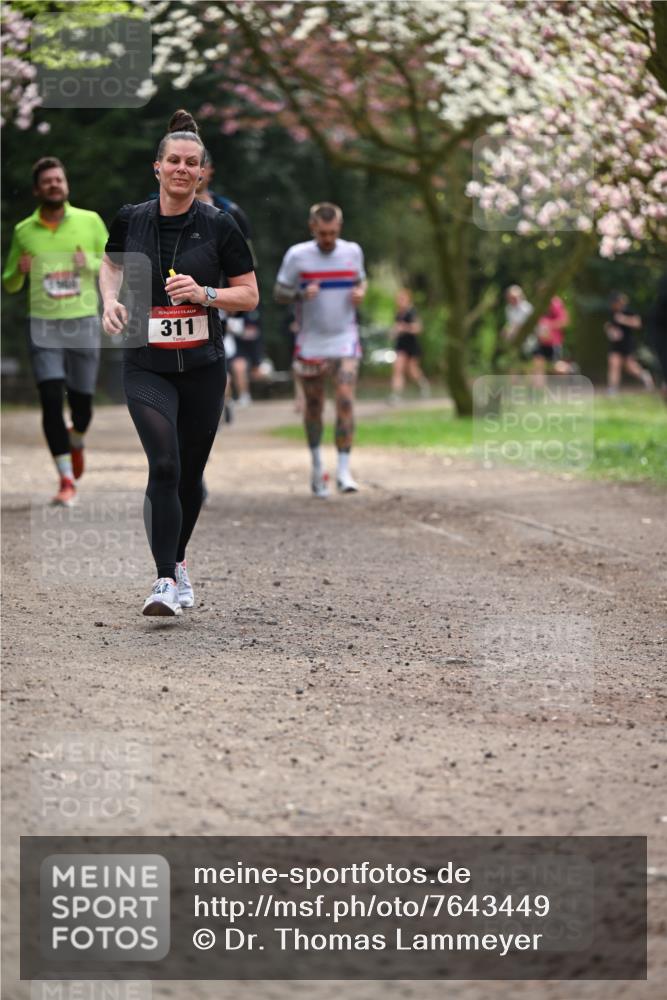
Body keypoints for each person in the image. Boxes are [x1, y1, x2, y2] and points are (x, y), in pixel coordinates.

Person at [99, 109, 258, 616]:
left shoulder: (220, 226)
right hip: (146, 362)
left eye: (192, 163)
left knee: (190, 475)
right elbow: (110, 263)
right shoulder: (132, 217)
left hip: (204, 366)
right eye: (174, 161)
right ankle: (164, 581)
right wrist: (109, 300)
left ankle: (179, 561)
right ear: (158, 167)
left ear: (202, 172)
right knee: (163, 464)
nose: (182, 169)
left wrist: (206, 293)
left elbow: (250, 295)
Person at [2, 156, 108, 506]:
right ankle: (65, 480)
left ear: (66, 185)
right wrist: (19, 270)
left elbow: (113, 265)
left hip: (82, 322)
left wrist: (88, 263)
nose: (54, 185)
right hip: (43, 325)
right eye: (47, 181)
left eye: (58, 180)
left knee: (83, 408)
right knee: (49, 399)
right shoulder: (23, 231)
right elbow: (10, 284)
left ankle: (76, 436)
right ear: (37, 190)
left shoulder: (90, 222)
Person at [274, 202, 366, 497]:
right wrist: (301, 293)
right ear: (312, 228)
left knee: (345, 399)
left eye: (333, 233)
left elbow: (361, 279)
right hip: (311, 340)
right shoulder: (298, 256)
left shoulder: (352, 251)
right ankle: (317, 466)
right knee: (314, 407)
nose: (328, 239)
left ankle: (343, 470)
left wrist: (360, 291)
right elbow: (278, 293)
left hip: (344, 338)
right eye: (323, 233)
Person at [605, 291, 654, 395]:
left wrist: (623, 320)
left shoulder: (629, 311)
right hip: (616, 344)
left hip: (627, 343)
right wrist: (611, 332)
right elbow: (608, 326)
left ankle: (645, 377)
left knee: (630, 367)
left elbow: (637, 324)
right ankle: (612, 388)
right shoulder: (612, 313)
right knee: (614, 363)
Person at [389, 288, 430, 403]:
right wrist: (393, 332)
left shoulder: (412, 312)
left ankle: (423, 386)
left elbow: (418, 328)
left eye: (402, 298)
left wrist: (405, 328)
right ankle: (396, 395)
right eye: (398, 299)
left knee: (412, 371)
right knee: (397, 369)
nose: (400, 301)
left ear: (408, 299)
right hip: (401, 345)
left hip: (411, 345)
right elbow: (395, 329)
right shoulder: (398, 314)